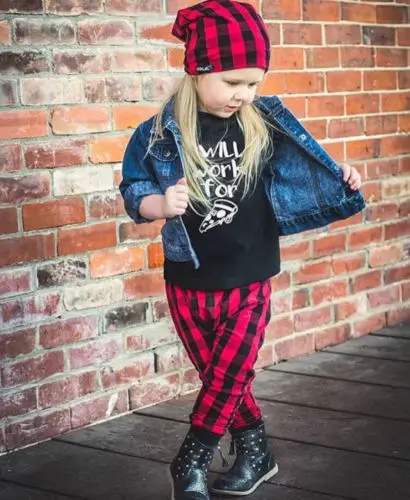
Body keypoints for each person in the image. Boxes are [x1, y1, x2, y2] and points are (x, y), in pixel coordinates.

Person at [120, 1, 364, 498]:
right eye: (233, 82)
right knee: (222, 378)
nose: (244, 94)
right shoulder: (159, 133)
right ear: (197, 69)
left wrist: (339, 177)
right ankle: (257, 452)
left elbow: (305, 167)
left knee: (229, 372)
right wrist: (159, 204)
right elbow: (133, 190)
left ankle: (190, 461)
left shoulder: (262, 122)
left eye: (253, 83)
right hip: (188, 278)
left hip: (251, 273)